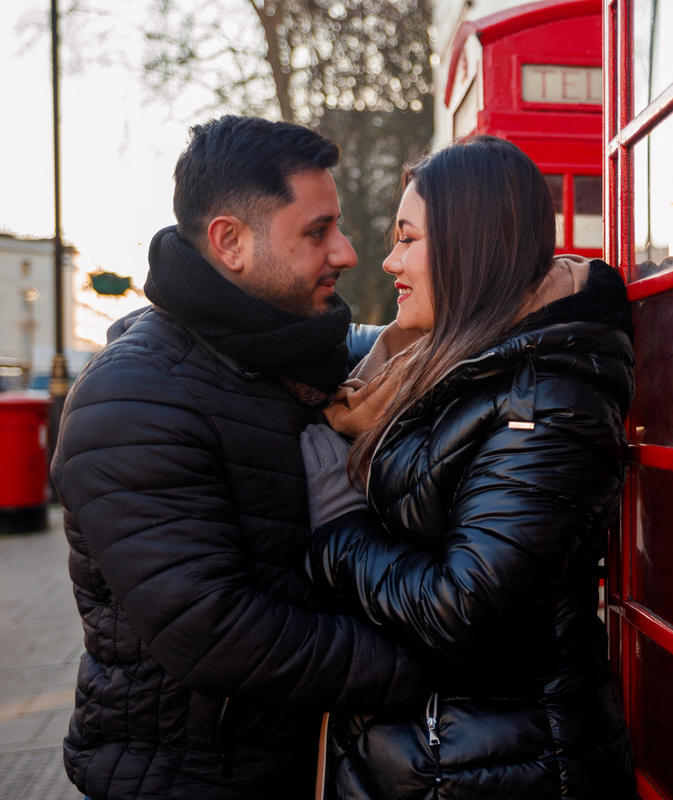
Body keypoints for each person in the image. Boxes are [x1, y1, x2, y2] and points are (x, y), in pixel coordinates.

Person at [51, 115, 425, 800]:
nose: (345, 251)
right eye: (316, 232)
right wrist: (430, 661)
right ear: (230, 242)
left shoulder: (285, 348)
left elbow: (422, 341)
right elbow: (218, 633)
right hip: (191, 779)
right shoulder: (133, 400)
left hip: (290, 761)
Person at [301, 135, 636, 799]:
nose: (391, 258)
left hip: (505, 769)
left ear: (470, 246)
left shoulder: (546, 401)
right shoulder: (440, 365)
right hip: (438, 755)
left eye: (409, 238)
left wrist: (336, 532)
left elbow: (466, 608)